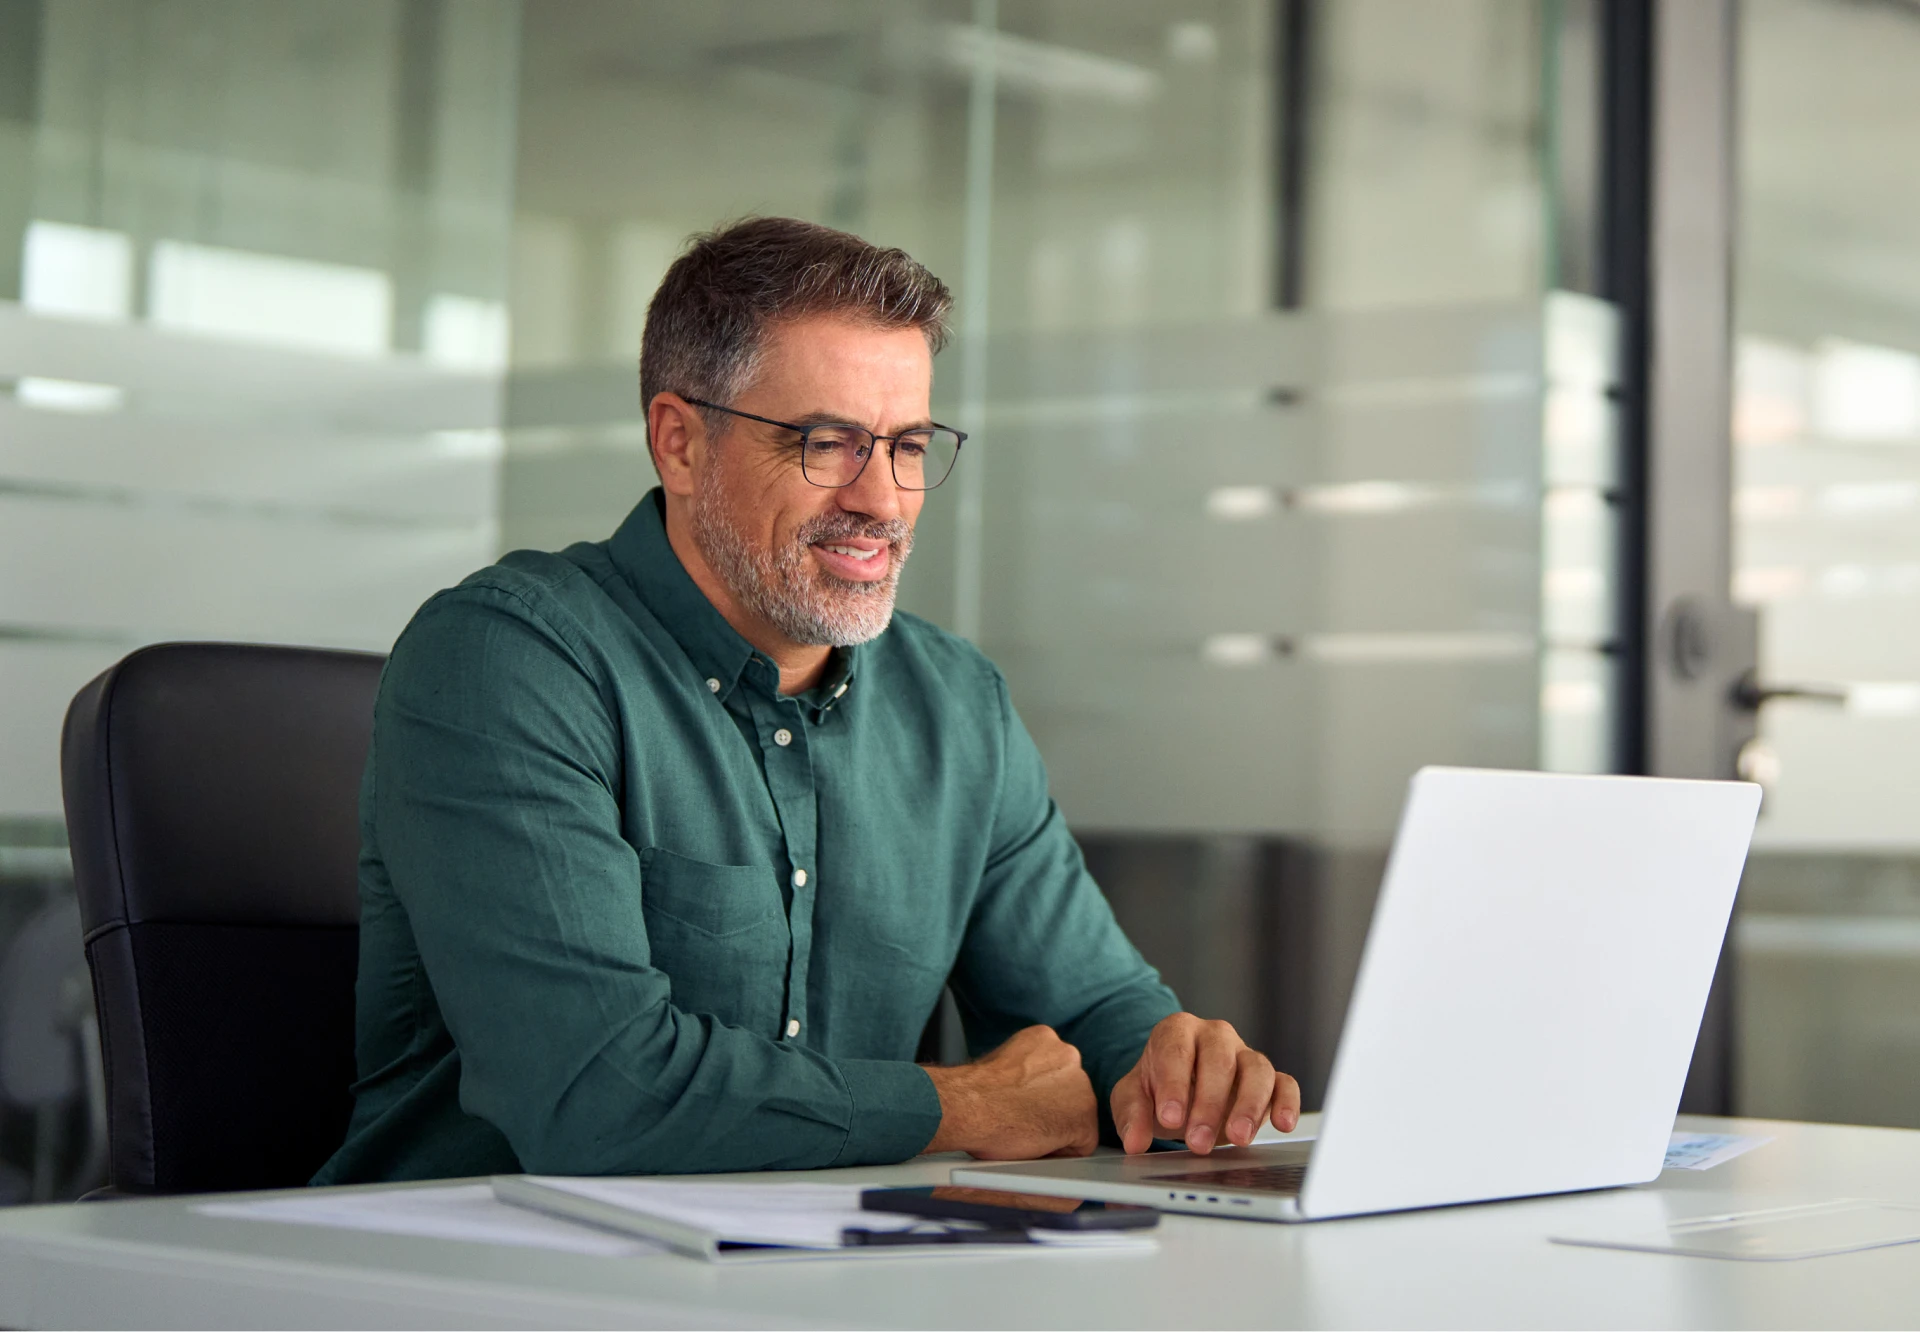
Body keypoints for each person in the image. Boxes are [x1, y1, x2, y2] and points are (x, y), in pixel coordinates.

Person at [314, 217, 1300, 1185]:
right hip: (482, 1274)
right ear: (679, 443)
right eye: (827, 442)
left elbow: (1094, 1030)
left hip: (816, 1275)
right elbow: (596, 1094)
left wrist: (1180, 1075)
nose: (881, 498)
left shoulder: (956, 704)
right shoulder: (509, 660)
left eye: (909, 445)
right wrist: (962, 1106)